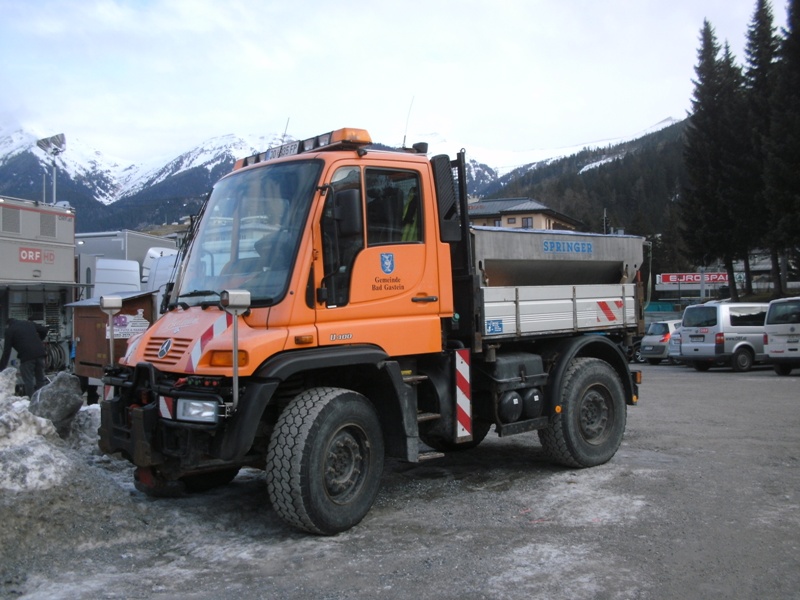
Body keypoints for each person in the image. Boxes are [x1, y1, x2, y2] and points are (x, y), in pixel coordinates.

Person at [0, 318, 49, 397]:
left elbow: (6, 351)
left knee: (28, 380)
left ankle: (31, 401)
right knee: (40, 379)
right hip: (40, 354)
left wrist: (1, 369)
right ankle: (42, 399)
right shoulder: (29, 323)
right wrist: (40, 340)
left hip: (27, 357)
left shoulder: (9, 330)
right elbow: (44, 330)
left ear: (7, 325)